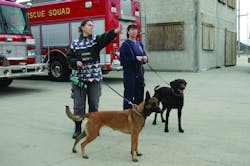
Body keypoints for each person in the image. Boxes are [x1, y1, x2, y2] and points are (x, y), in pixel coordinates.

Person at [67, 20, 122, 139]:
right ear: (82, 27)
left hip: (94, 79)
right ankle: (77, 129)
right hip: (79, 80)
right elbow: (69, 57)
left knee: (94, 105)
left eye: (93, 25)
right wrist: (75, 62)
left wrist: (114, 32)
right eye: (89, 25)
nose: (92, 27)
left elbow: (105, 38)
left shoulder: (95, 40)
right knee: (78, 106)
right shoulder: (75, 43)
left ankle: (93, 127)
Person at [119, 24, 148, 109]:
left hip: (140, 73)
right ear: (128, 32)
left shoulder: (139, 44)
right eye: (132, 30)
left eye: (135, 29)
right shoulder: (125, 45)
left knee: (140, 95)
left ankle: (138, 115)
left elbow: (144, 55)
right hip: (130, 75)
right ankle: (126, 115)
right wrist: (136, 58)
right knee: (129, 96)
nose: (134, 31)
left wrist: (146, 58)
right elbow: (123, 60)